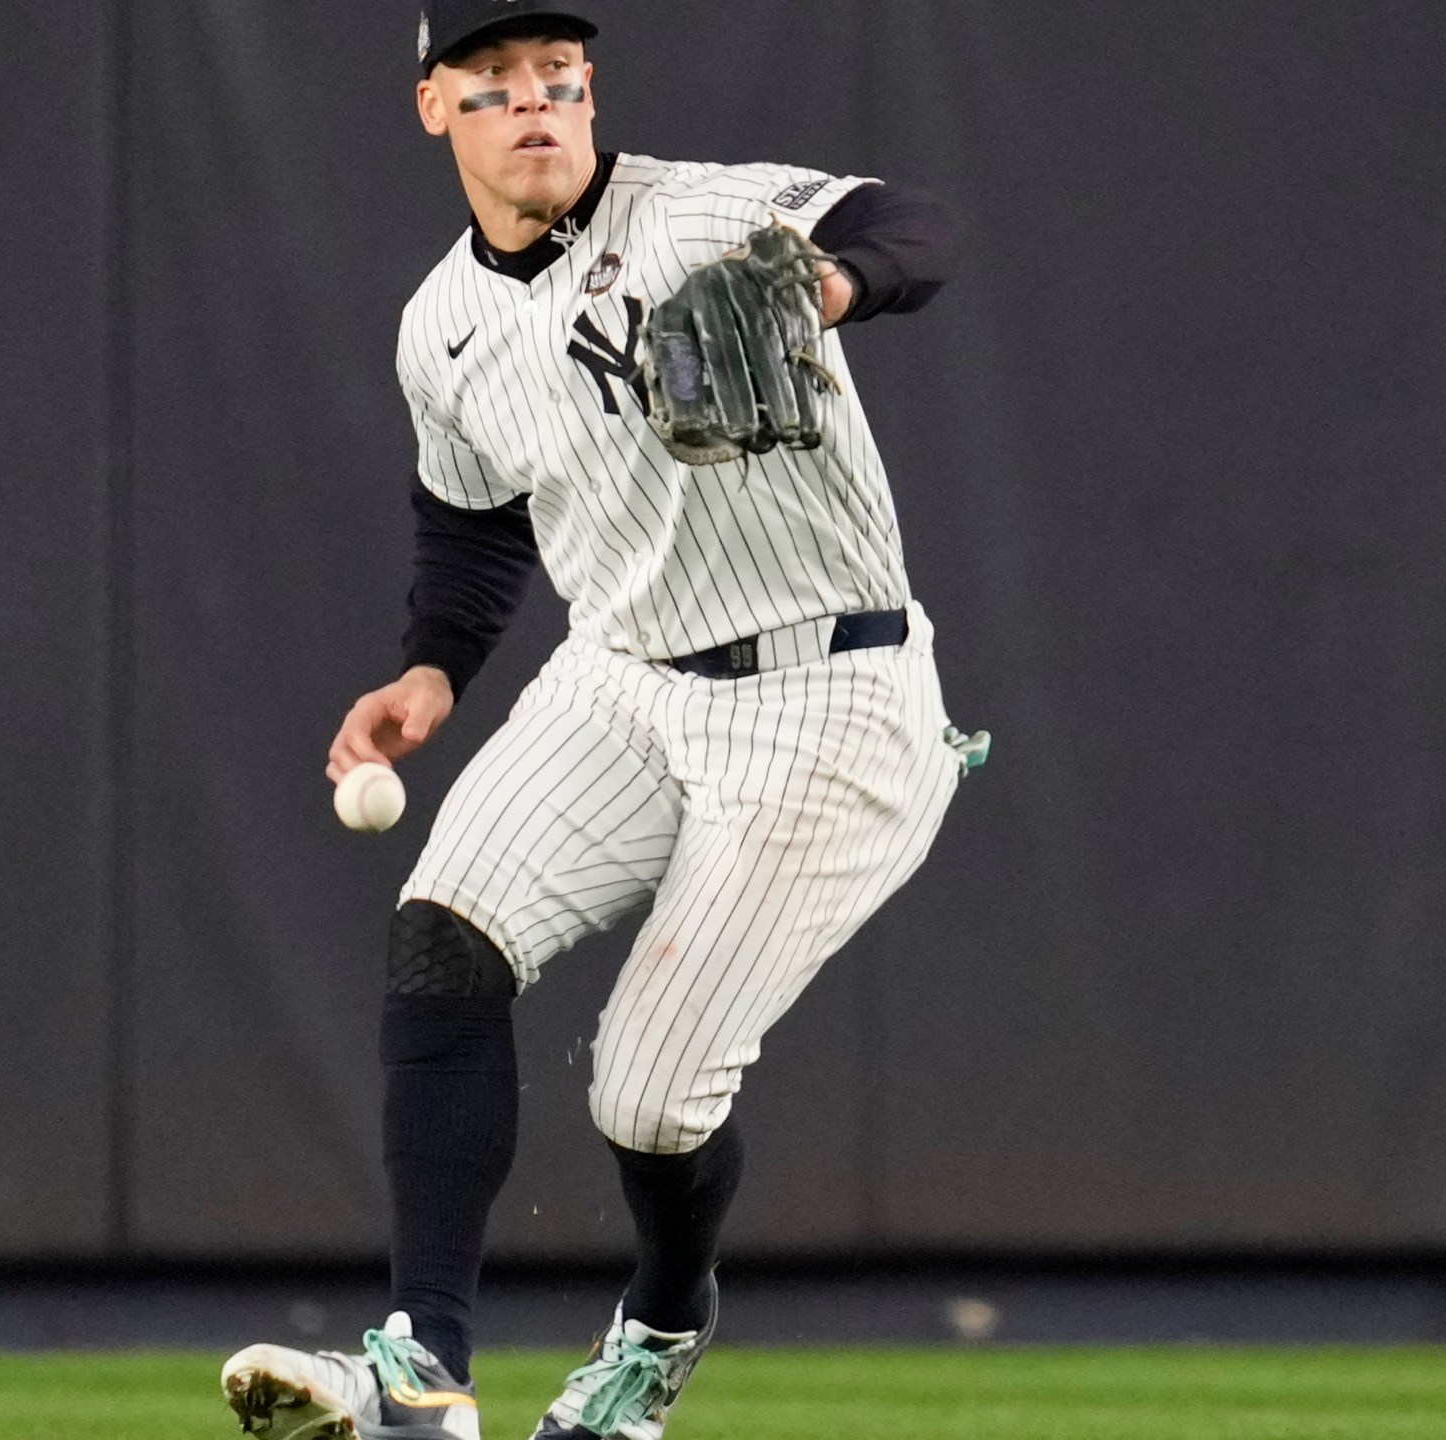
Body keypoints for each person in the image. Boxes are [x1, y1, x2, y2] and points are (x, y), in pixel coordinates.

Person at [225, 4, 969, 1437]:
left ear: (589, 94)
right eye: (496, 85)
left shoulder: (702, 214)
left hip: (831, 693)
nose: (535, 108)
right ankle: (419, 1376)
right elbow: (473, 517)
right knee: (443, 928)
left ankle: (662, 1323)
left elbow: (919, 225)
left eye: (558, 80)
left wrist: (830, 284)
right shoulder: (437, 325)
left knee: (644, 1103)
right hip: (623, 676)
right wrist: (433, 668)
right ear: (435, 108)